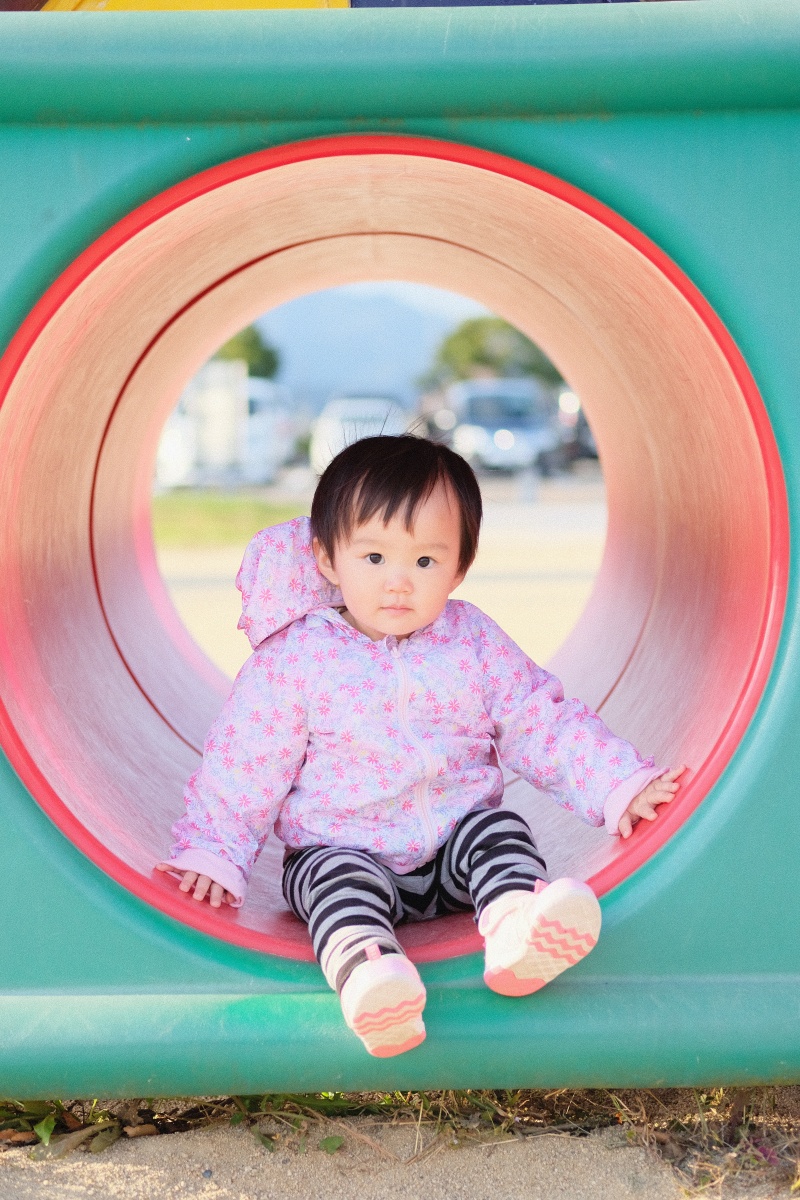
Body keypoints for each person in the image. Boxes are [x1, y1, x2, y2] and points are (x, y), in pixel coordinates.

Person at [157, 435, 684, 1058]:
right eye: (374, 557)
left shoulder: (472, 642)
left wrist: (618, 785)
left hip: (453, 849)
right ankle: (372, 977)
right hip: (344, 848)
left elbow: (539, 720)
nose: (399, 583)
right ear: (328, 558)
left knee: (499, 830)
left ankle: (516, 926)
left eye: (426, 563)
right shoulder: (297, 660)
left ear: (460, 567)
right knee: (330, 884)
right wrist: (215, 854)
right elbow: (245, 762)